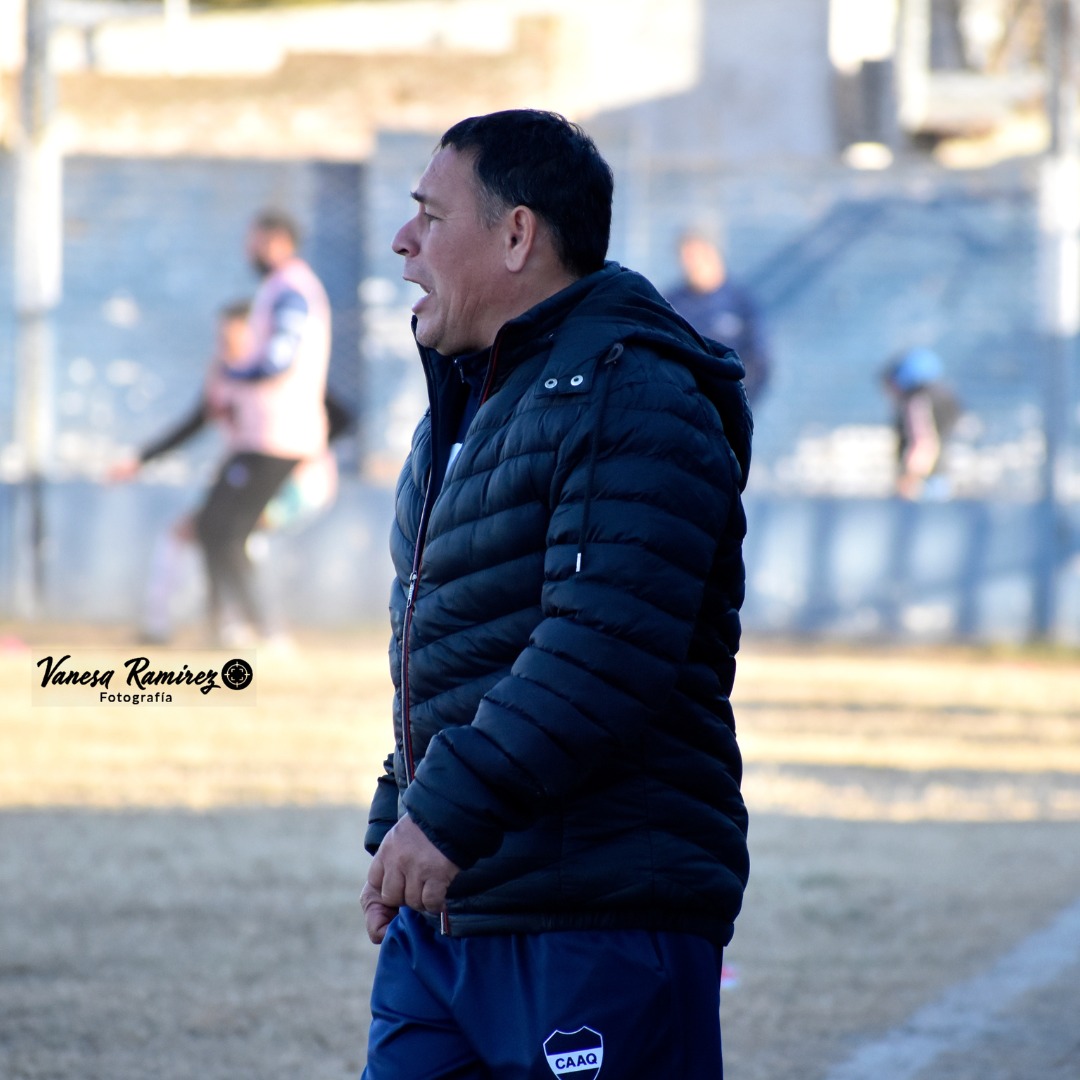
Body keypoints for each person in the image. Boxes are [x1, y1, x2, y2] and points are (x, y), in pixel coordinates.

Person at [361, 109, 752, 1080]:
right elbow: (460, 638)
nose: (404, 241)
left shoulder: (636, 395)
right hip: (452, 909)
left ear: (517, 234)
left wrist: (441, 817)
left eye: (429, 215)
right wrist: (400, 816)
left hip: (595, 917)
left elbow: (602, 649)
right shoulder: (472, 405)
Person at [110, 295, 346, 643]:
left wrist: (307, 454)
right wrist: (140, 459)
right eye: (222, 337)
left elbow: (342, 417)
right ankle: (215, 627)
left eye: (234, 336)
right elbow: (194, 422)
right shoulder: (225, 375)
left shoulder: (280, 374)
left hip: (296, 481)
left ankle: (265, 631)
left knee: (233, 534)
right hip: (246, 473)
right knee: (206, 530)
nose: (226, 345)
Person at [665, 229, 771, 404]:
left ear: (713, 253)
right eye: (687, 259)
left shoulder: (742, 303)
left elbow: (759, 361)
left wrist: (732, 401)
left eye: (697, 256)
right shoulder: (670, 303)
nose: (693, 265)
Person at [881, 345, 960, 500]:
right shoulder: (946, 396)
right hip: (943, 479)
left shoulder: (917, 400)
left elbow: (923, 443)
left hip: (922, 486)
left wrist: (908, 480)